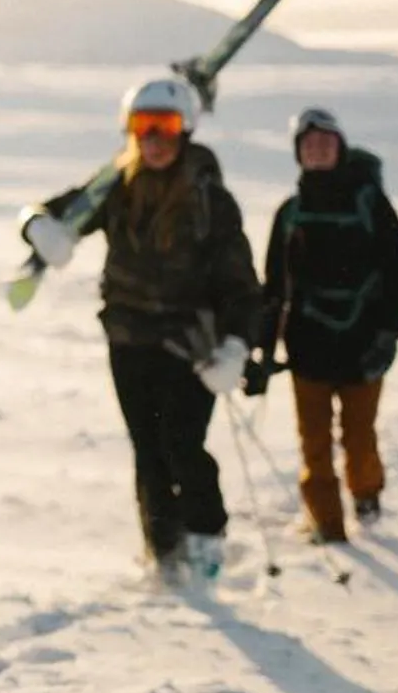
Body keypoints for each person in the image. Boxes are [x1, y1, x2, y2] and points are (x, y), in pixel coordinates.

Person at [25, 78, 259, 582]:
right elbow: (51, 212)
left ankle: (205, 540)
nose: (154, 138)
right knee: (148, 450)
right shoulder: (115, 186)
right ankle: (162, 548)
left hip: (189, 344)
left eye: (166, 126)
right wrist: (40, 228)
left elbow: (241, 283)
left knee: (182, 444)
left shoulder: (210, 199)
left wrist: (237, 346)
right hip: (129, 341)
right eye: (143, 127)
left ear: (186, 130)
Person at [248, 107, 398, 543]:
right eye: (308, 144)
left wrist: (388, 332)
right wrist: (263, 348)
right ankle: (326, 522)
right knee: (313, 441)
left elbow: (397, 266)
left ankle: (366, 497)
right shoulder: (290, 213)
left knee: (360, 434)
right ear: (298, 154)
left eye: (325, 142)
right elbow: (274, 286)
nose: (317, 150)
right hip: (307, 346)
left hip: (363, 345)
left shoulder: (370, 202)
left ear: (340, 147)